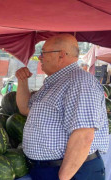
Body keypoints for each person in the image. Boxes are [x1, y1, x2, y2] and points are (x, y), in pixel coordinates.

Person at [15, 34, 109, 180]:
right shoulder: (54, 83)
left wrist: (63, 177)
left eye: (43, 52)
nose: (40, 57)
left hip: (72, 172)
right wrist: (22, 81)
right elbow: (25, 109)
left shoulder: (80, 82)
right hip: (49, 170)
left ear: (61, 55)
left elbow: (83, 136)